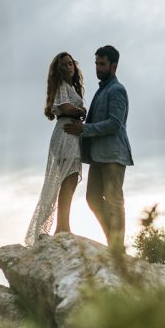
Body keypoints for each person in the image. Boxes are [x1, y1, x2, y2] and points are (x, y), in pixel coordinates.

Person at [64, 45, 132, 253]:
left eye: (102, 64)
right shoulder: (102, 90)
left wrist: (84, 129)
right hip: (98, 156)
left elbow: (114, 123)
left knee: (114, 201)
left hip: (113, 154)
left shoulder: (117, 90)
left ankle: (117, 248)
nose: (98, 68)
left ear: (113, 65)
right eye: (96, 63)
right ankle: (113, 240)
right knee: (92, 198)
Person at [24, 52, 87, 244]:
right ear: (59, 69)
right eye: (65, 65)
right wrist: (82, 111)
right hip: (66, 134)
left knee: (71, 180)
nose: (69, 67)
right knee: (69, 180)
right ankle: (62, 227)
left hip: (70, 134)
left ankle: (63, 225)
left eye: (71, 63)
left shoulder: (70, 86)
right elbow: (66, 108)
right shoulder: (61, 85)